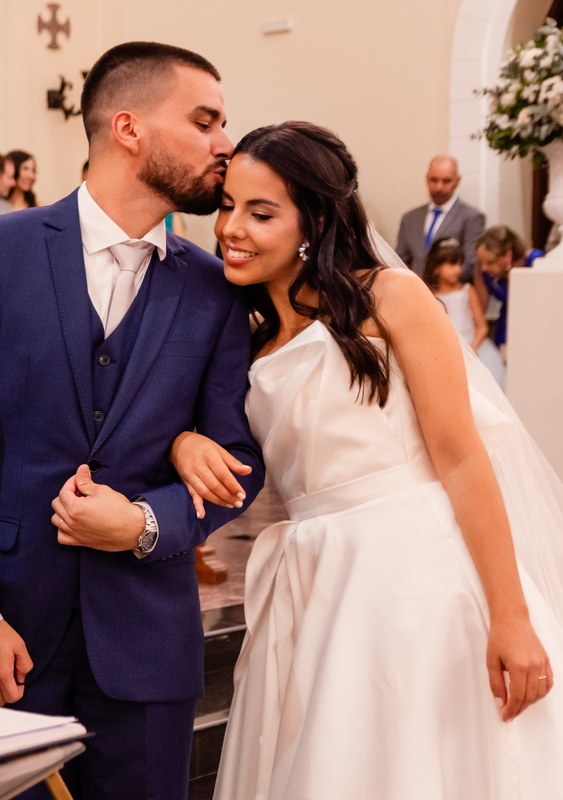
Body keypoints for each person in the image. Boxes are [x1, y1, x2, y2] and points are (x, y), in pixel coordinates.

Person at [173, 121, 563, 799]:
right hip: (313, 583)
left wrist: (511, 616)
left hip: (416, 574)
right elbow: (208, 434)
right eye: (228, 205)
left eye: (261, 213)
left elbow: (466, 459)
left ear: (313, 221)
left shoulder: (387, 296)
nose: (232, 227)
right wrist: (184, 442)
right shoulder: (238, 328)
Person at [0, 42, 265, 800]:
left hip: (147, 645)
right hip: (3, 637)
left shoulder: (217, 289)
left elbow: (237, 462)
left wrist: (148, 523)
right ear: (128, 128)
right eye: (206, 120)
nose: (225, 144)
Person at [424, 237, 506, 389]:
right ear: (435, 267)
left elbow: (482, 327)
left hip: (472, 346)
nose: (458, 269)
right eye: (451, 264)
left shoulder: (467, 291)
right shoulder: (429, 296)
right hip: (445, 350)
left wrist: (471, 349)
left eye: (460, 263)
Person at [395, 155, 486, 279]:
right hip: (413, 291)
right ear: (427, 179)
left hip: (449, 292)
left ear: (457, 181)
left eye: (446, 181)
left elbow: (470, 263)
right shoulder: (409, 218)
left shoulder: (472, 217)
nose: (439, 187)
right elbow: (400, 261)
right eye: (434, 180)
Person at [474, 225, 542, 361]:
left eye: (489, 262)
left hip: (535, 325)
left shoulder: (536, 262)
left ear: (508, 256)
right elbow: (481, 308)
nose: (484, 267)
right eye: (482, 262)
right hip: (506, 324)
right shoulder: (485, 273)